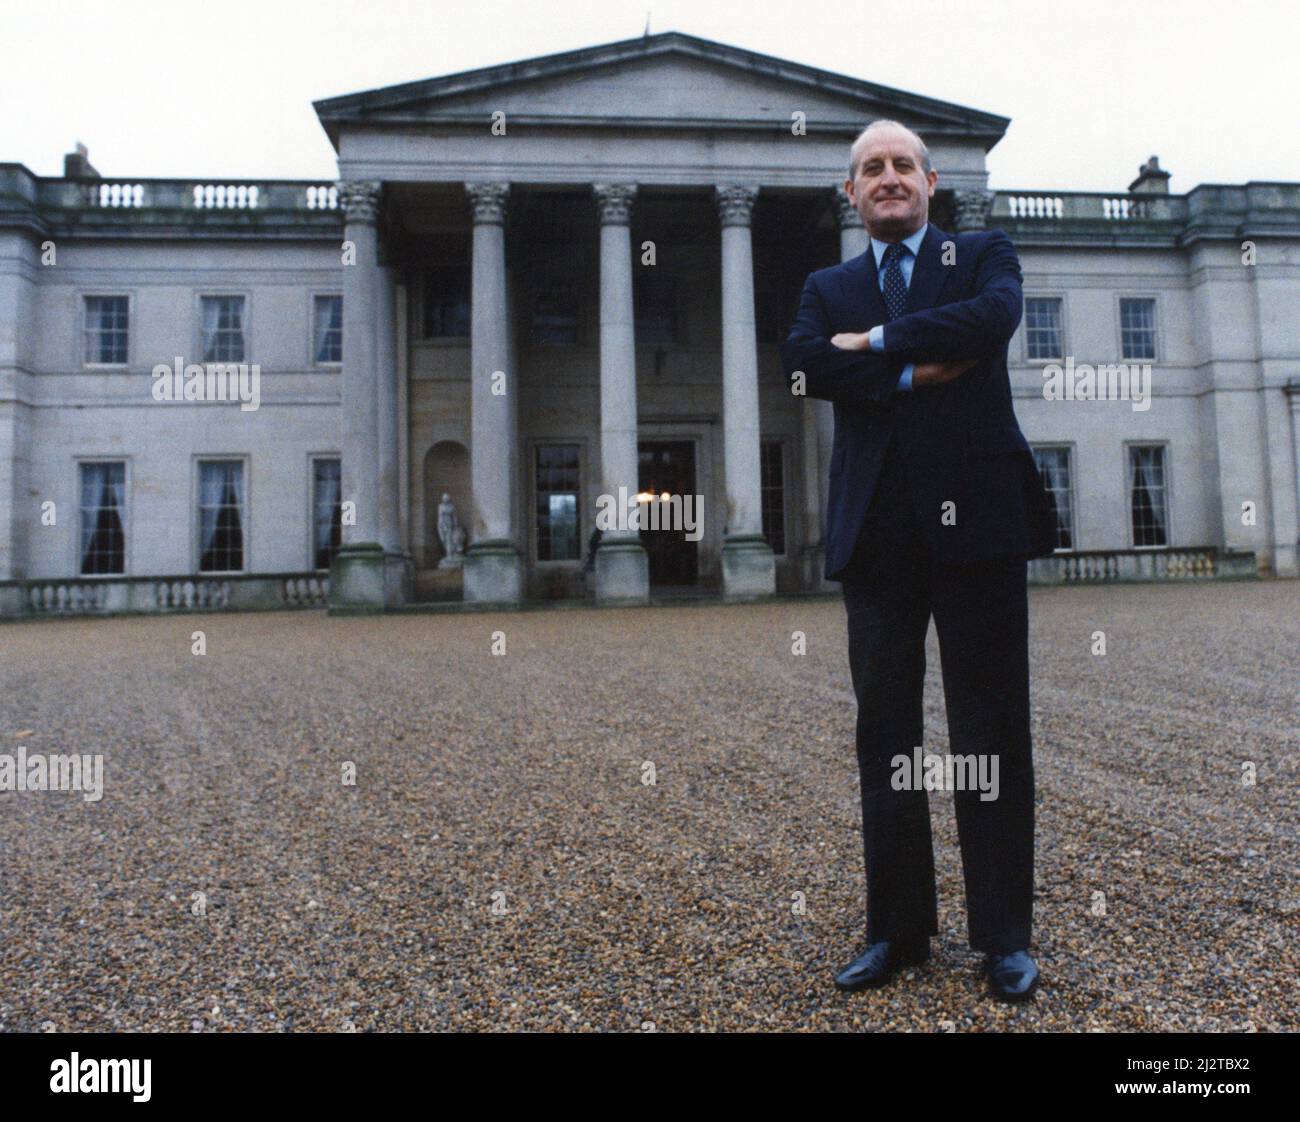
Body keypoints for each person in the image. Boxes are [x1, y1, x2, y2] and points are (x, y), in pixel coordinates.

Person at [779, 119, 1058, 1002]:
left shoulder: (982, 254)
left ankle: (1003, 938)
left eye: (903, 164)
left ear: (932, 182)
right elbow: (800, 363)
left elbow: (995, 319)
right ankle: (898, 932)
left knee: (991, 732)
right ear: (851, 195)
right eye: (871, 169)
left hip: (977, 524)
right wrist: (910, 369)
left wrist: (876, 344)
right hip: (878, 537)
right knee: (885, 738)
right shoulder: (829, 284)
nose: (888, 178)